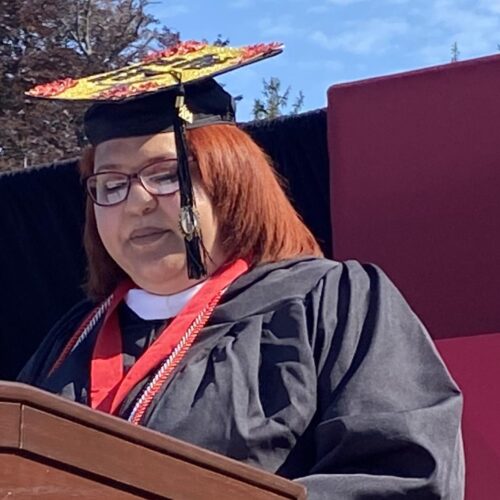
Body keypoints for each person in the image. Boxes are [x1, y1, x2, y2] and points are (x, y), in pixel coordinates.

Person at [18, 41, 464, 498]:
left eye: (167, 175)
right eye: (111, 184)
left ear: (233, 182)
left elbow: (403, 477)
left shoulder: (330, 303)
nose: (136, 202)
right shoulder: (71, 339)